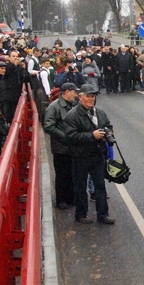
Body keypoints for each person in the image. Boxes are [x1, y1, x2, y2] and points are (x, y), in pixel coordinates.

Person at [63, 84, 115, 224]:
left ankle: (103, 214)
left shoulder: (100, 112)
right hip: (80, 156)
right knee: (80, 187)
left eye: (93, 96)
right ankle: (81, 214)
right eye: (88, 96)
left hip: (97, 155)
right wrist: (92, 135)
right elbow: (70, 137)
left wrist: (108, 134)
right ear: (80, 97)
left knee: (100, 186)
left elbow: (108, 126)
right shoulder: (72, 115)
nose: (91, 99)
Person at [44, 82, 78, 210]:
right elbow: (48, 126)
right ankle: (61, 200)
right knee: (62, 174)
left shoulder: (73, 105)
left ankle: (71, 197)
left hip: (72, 147)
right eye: (74, 92)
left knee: (72, 173)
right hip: (61, 148)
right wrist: (65, 137)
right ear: (67, 92)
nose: (76, 95)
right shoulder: (54, 107)